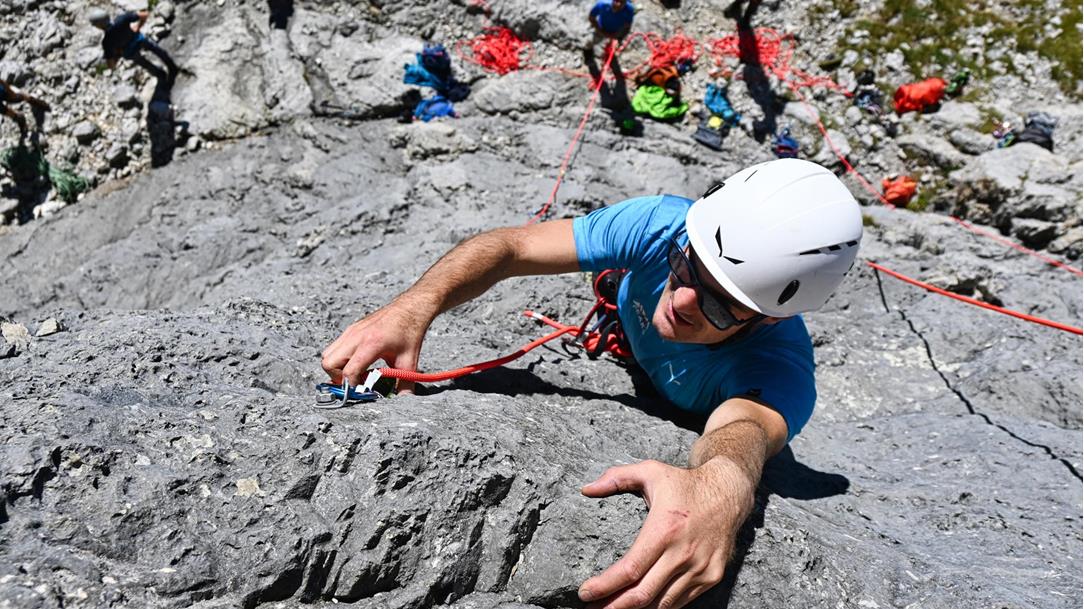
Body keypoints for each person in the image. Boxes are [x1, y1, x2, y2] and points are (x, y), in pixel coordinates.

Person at [321, 158, 863, 609]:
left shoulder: (778, 367)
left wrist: (721, 489)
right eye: (685, 266)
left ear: (766, 320)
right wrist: (412, 307)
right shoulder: (662, 224)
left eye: (719, 305)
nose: (681, 300)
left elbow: (746, 430)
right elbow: (512, 247)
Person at [89, 8, 179, 86]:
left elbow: (111, 65)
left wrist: (115, 57)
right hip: (138, 39)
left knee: (145, 64)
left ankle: (162, 76)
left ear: (99, 25)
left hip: (129, 52)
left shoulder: (107, 42)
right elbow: (144, 15)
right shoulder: (122, 19)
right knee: (156, 50)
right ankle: (172, 67)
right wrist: (138, 27)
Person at [584, 0, 635, 69]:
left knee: (610, 43)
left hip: (615, 32)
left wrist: (619, 37)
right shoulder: (602, 4)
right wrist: (601, 31)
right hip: (601, 29)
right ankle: (588, 54)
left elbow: (627, 25)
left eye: (622, 2)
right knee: (589, 42)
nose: (618, 4)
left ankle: (608, 50)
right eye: (617, 0)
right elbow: (591, 17)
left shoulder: (629, 10)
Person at [0, 78, 50, 143]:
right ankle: (21, 120)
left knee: (19, 97)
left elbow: (1, 81)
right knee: (7, 112)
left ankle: (35, 102)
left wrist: (10, 91)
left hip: (2, 91)